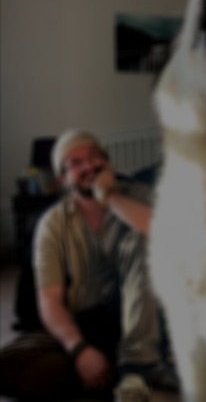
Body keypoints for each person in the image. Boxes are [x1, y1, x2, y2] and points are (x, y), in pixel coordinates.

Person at [0, 129, 177, 401]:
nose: (89, 166)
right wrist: (79, 350)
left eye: (94, 157)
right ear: (63, 178)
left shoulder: (140, 196)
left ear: (108, 163)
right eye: (76, 162)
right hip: (83, 325)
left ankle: (136, 367)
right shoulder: (53, 223)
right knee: (13, 364)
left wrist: (111, 198)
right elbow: (50, 300)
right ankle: (111, 372)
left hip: (145, 324)